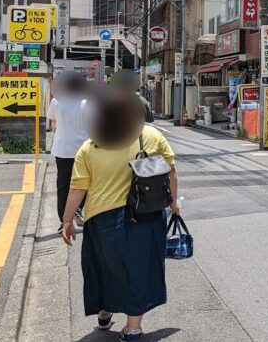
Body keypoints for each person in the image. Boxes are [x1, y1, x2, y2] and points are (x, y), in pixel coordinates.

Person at [61, 88, 179, 342]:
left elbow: (77, 188)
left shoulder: (90, 146)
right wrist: (175, 206)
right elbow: (171, 171)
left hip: (101, 218)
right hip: (146, 215)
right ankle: (133, 328)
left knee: (102, 266)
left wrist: (67, 220)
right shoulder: (150, 135)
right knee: (140, 269)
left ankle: (104, 312)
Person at [47, 72, 91, 229]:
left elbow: (52, 118)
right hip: (82, 151)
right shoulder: (86, 104)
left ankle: (63, 220)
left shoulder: (57, 102)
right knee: (83, 183)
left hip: (62, 149)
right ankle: (78, 209)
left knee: (63, 185)